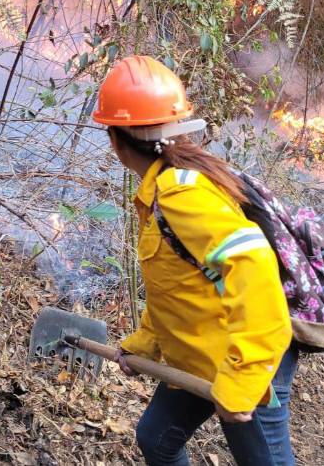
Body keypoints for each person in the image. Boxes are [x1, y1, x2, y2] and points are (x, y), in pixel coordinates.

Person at [92, 55, 298, 466]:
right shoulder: (162, 190)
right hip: (199, 352)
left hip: (245, 356)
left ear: (116, 141)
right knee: (156, 439)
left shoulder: (180, 193)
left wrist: (244, 378)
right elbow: (178, 284)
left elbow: (254, 264)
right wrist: (145, 346)